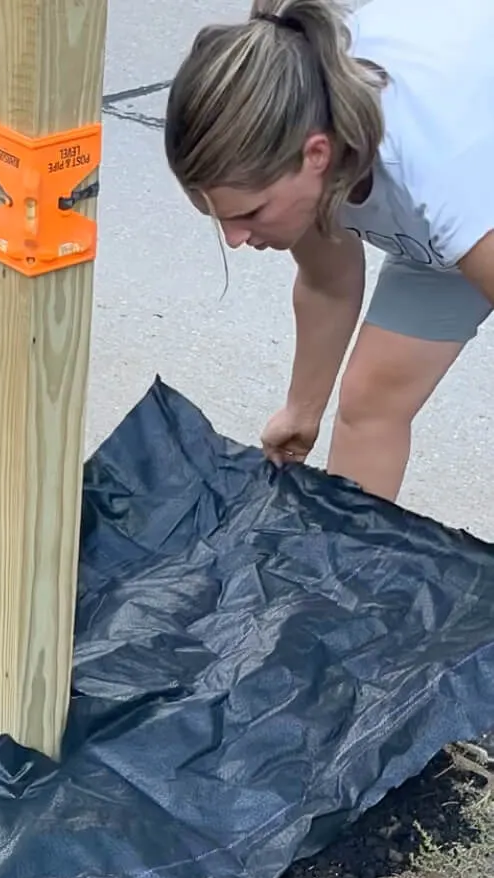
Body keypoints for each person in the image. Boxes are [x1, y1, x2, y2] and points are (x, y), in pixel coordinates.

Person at [164, 0, 494, 503]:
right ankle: (345, 573)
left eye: (249, 213)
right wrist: (302, 411)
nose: (234, 238)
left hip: (470, 190)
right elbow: (328, 282)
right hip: (444, 218)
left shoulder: (436, 163)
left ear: (317, 155)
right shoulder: (308, 121)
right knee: (370, 400)